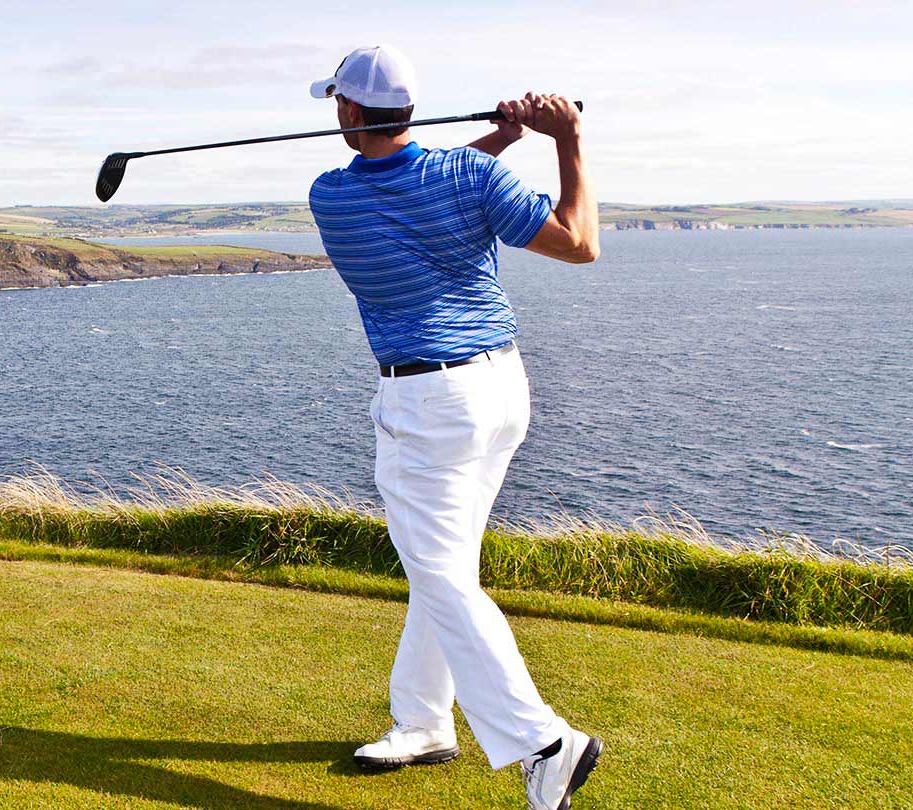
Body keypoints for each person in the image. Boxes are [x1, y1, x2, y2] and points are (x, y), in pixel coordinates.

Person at [306, 45, 603, 810]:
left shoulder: (331, 196)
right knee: (442, 568)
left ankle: (544, 743)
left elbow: (415, 184)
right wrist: (560, 139)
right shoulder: (471, 177)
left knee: (439, 574)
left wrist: (508, 138)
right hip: (502, 388)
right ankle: (423, 722)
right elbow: (577, 238)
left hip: (430, 406)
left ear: (347, 112)